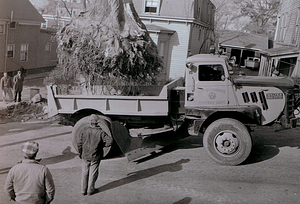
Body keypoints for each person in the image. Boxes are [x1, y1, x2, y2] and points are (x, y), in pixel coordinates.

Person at [77, 114, 113, 196]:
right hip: (95, 156)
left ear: (90, 122)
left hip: (85, 155)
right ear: (98, 123)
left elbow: (79, 143)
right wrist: (102, 145)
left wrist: (80, 153)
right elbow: (110, 141)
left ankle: (83, 190)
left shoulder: (84, 130)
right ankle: (90, 190)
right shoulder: (101, 132)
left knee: (84, 172)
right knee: (93, 173)